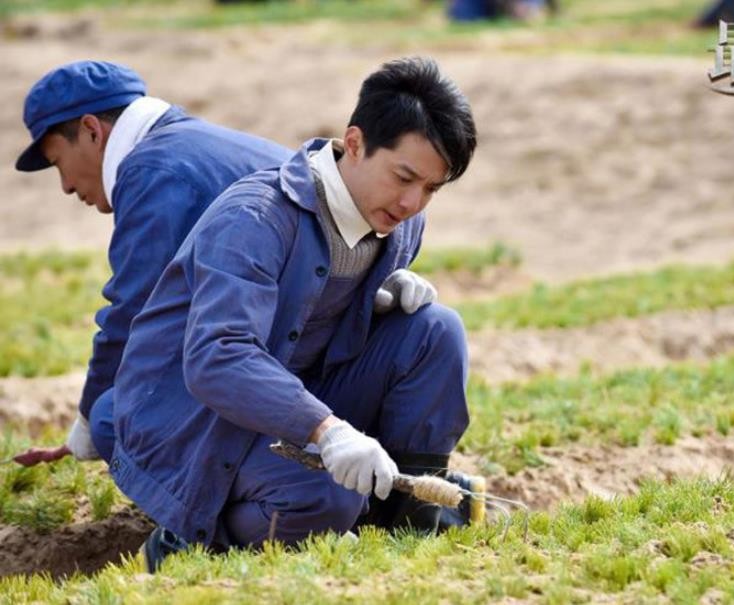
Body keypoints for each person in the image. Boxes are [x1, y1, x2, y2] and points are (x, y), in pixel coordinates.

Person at [102, 56, 479, 570]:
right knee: (326, 498)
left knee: (435, 331)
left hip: (291, 396)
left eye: (432, 189)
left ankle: (402, 512)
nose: (414, 202)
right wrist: (328, 431)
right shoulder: (254, 218)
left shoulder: (400, 222)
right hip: (196, 421)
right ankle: (189, 540)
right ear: (355, 142)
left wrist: (371, 298)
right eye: (405, 177)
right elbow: (219, 358)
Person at [14, 61, 291, 465]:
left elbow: (132, 314)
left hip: (292, 366)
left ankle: (215, 514)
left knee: (118, 416)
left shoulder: (151, 170)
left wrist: (89, 424)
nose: (66, 186)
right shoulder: (197, 144)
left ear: (92, 130)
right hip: (324, 344)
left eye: (59, 164)